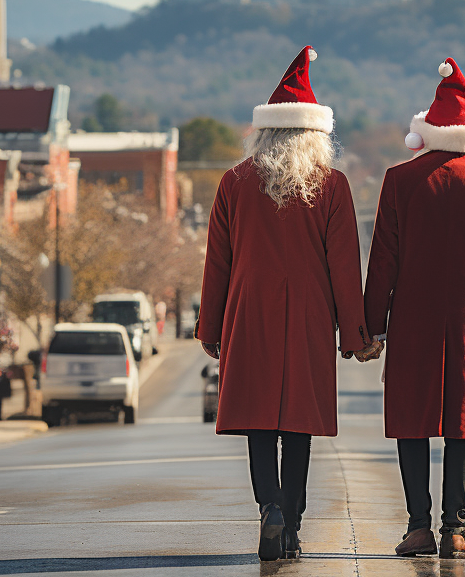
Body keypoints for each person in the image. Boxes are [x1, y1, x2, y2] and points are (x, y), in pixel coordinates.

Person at [196, 46, 373, 562]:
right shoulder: (332, 185)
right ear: (317, 135)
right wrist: (355, 335)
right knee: (298, 424)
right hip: (310, 317)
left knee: (258, 423)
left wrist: (211, 327)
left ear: (264, 133)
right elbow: (345, 267)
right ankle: (292, 523)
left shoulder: (233, 182)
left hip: (248, 313)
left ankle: (269, 508)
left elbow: (218, 263)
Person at [366, 58, 465, 560]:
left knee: (413, 422)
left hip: (412, 317)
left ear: (428, 133)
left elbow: (383, 259)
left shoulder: (399, 180)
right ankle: (455, 529)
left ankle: (418, 526)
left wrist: (372, 327)